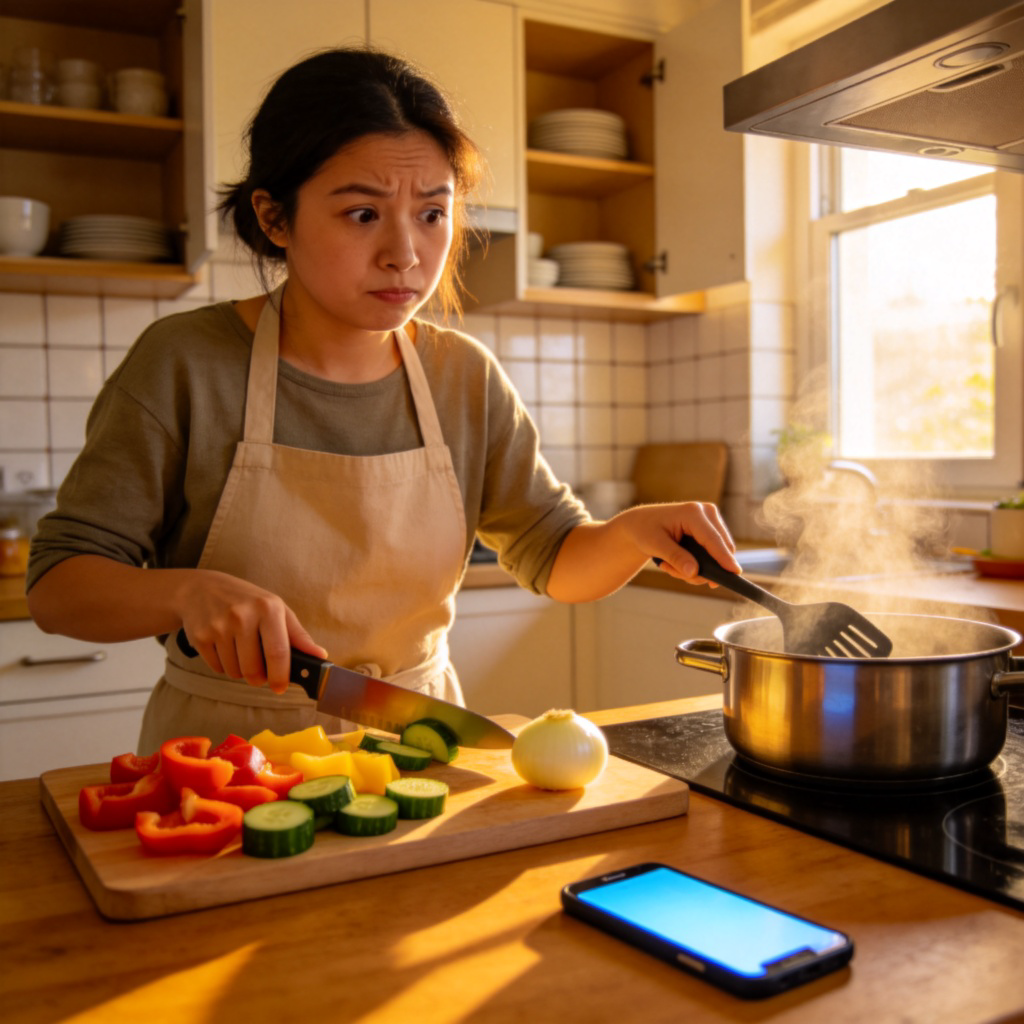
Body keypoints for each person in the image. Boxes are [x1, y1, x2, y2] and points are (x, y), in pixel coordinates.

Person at [26, 48, 739, 754]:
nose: (406, 251)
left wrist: (631, 534)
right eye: (363, 214)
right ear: (274, 218)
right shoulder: (185, 363)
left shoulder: (463, 376)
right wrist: (186, 595)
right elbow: (59, 587)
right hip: (229, 767)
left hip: (420, 751)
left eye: (433, 214)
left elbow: (553, 554)